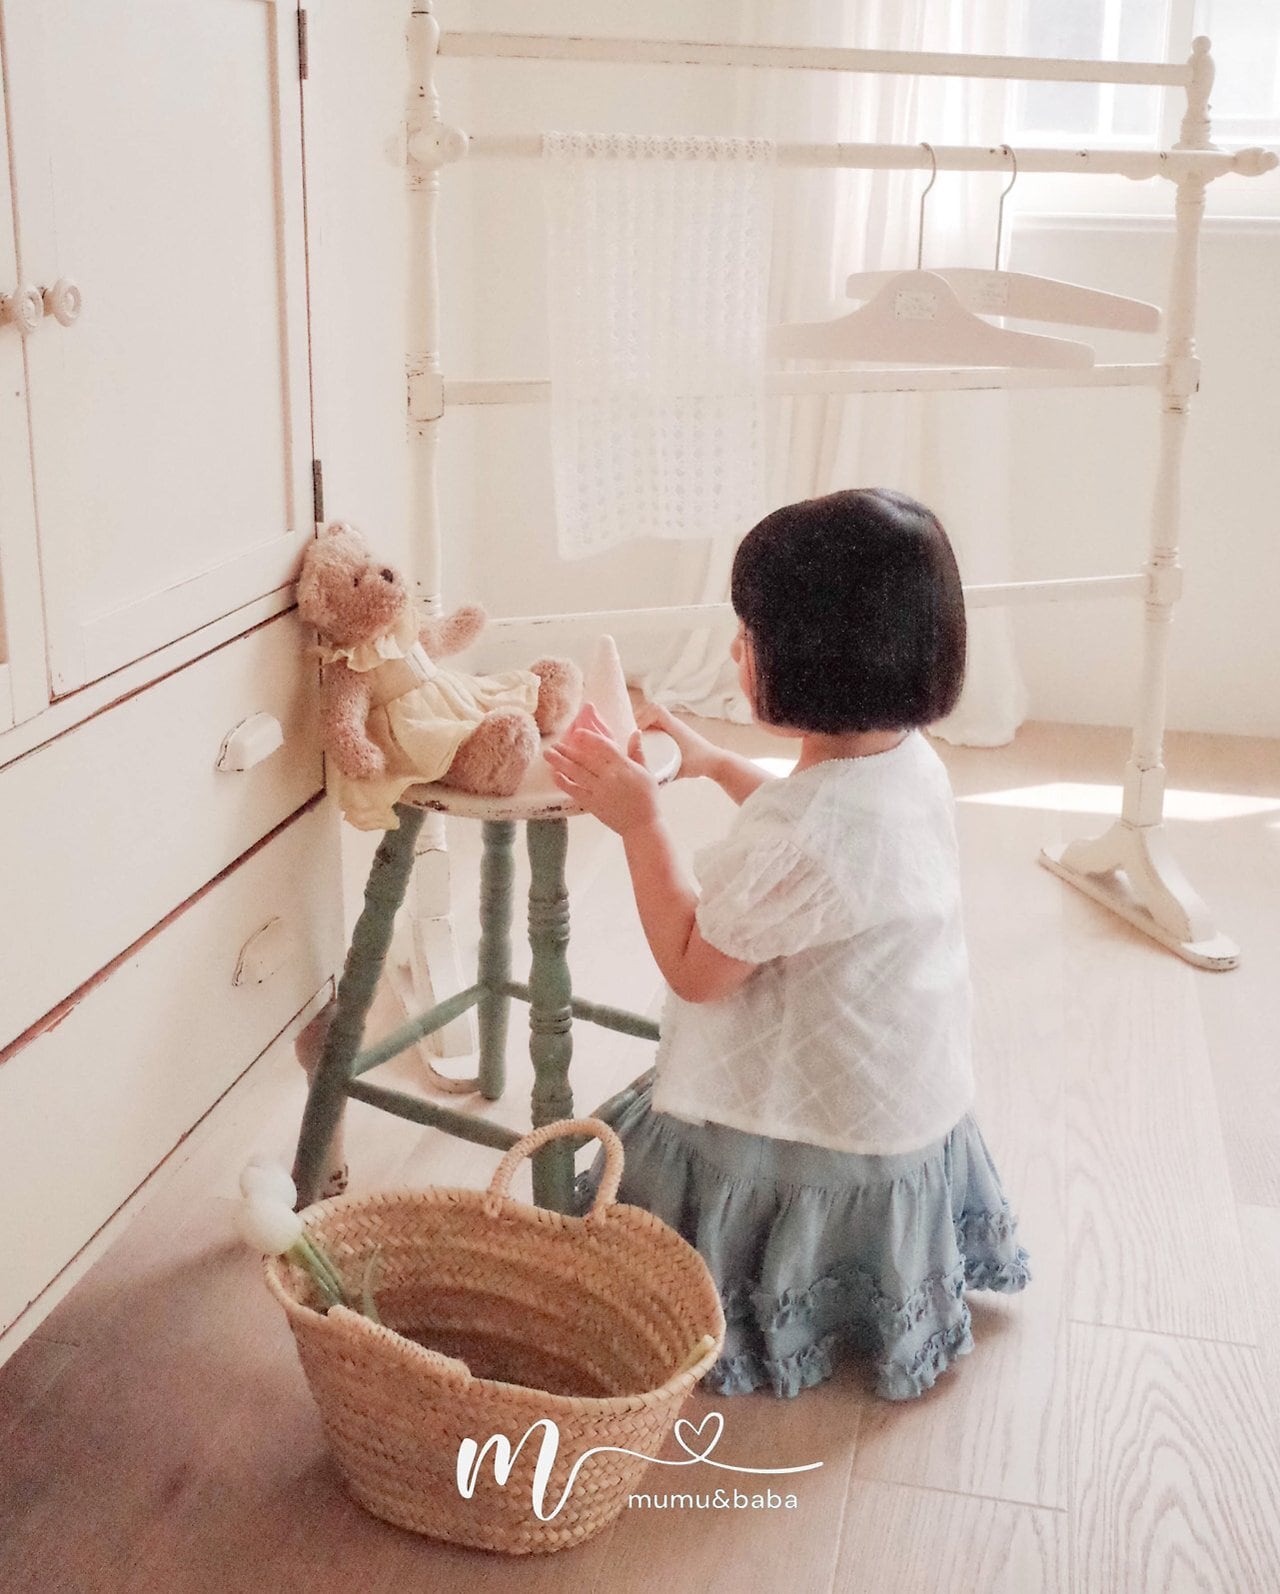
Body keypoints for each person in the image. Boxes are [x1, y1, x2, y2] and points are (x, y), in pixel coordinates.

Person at [544, 488, 1029, 1402]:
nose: (735, 649)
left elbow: (696, 968)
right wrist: (719, 763)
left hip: (810, 1128)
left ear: (816, 661)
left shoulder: (808, 835)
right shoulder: (905, 763)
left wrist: (641, 824)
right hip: (903, 1099)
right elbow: (815, 854)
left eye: (749, 634)